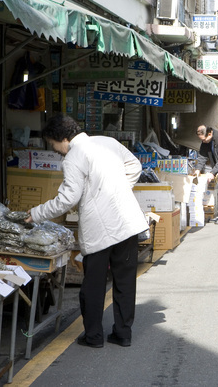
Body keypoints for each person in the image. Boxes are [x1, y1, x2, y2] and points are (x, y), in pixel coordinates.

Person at [26, 113, 148, 348]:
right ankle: (123, 334)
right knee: (125, 282)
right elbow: (135, 166)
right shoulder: (108, 142)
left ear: (62, 138)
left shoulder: (73, 157)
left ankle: (93, 336)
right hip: (127, 224)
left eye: (53, 144)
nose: (56, 150)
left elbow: (67, 199)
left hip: (99, 231)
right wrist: (118, 190)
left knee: (94, 284)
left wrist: (36, 213)